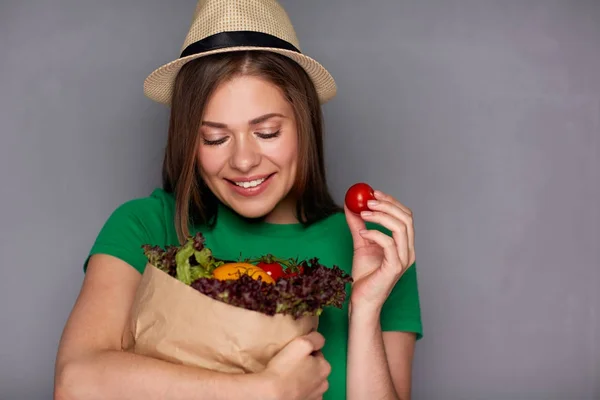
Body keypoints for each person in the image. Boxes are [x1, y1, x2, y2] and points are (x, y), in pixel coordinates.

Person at [53, 1, 423, 399]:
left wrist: (364, 311)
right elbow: (76, 383)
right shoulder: (145, 225)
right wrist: (261, 391)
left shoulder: (372, 246)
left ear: (304, 124)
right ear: (189, 141)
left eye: (266, 133)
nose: (244, 161)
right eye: (215, 138)